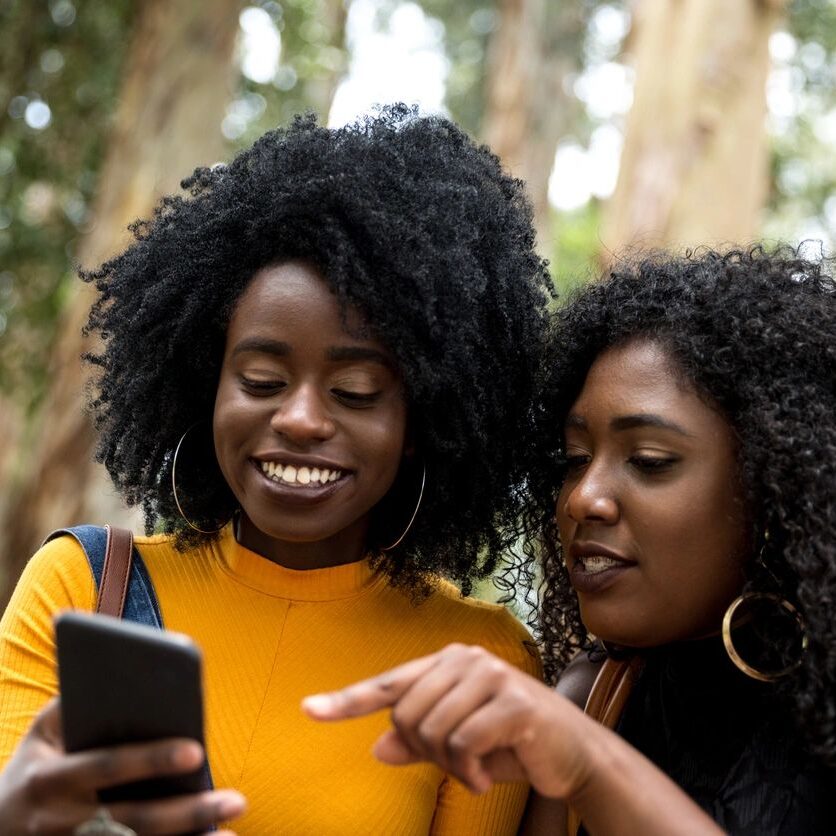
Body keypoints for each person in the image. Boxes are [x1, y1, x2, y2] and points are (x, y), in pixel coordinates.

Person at [0, 105, 551, 834]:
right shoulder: (81, 586)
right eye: (261, 379)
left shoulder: (481, 662)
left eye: (355, 392)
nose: (299, 419)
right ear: (208, 386)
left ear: (422, 424)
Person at [303, 246, 836, 834]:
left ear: (775, 485)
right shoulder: (593, 696)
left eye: (650, 460)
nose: (583, 497)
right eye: (574, 459)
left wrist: (587, 764)